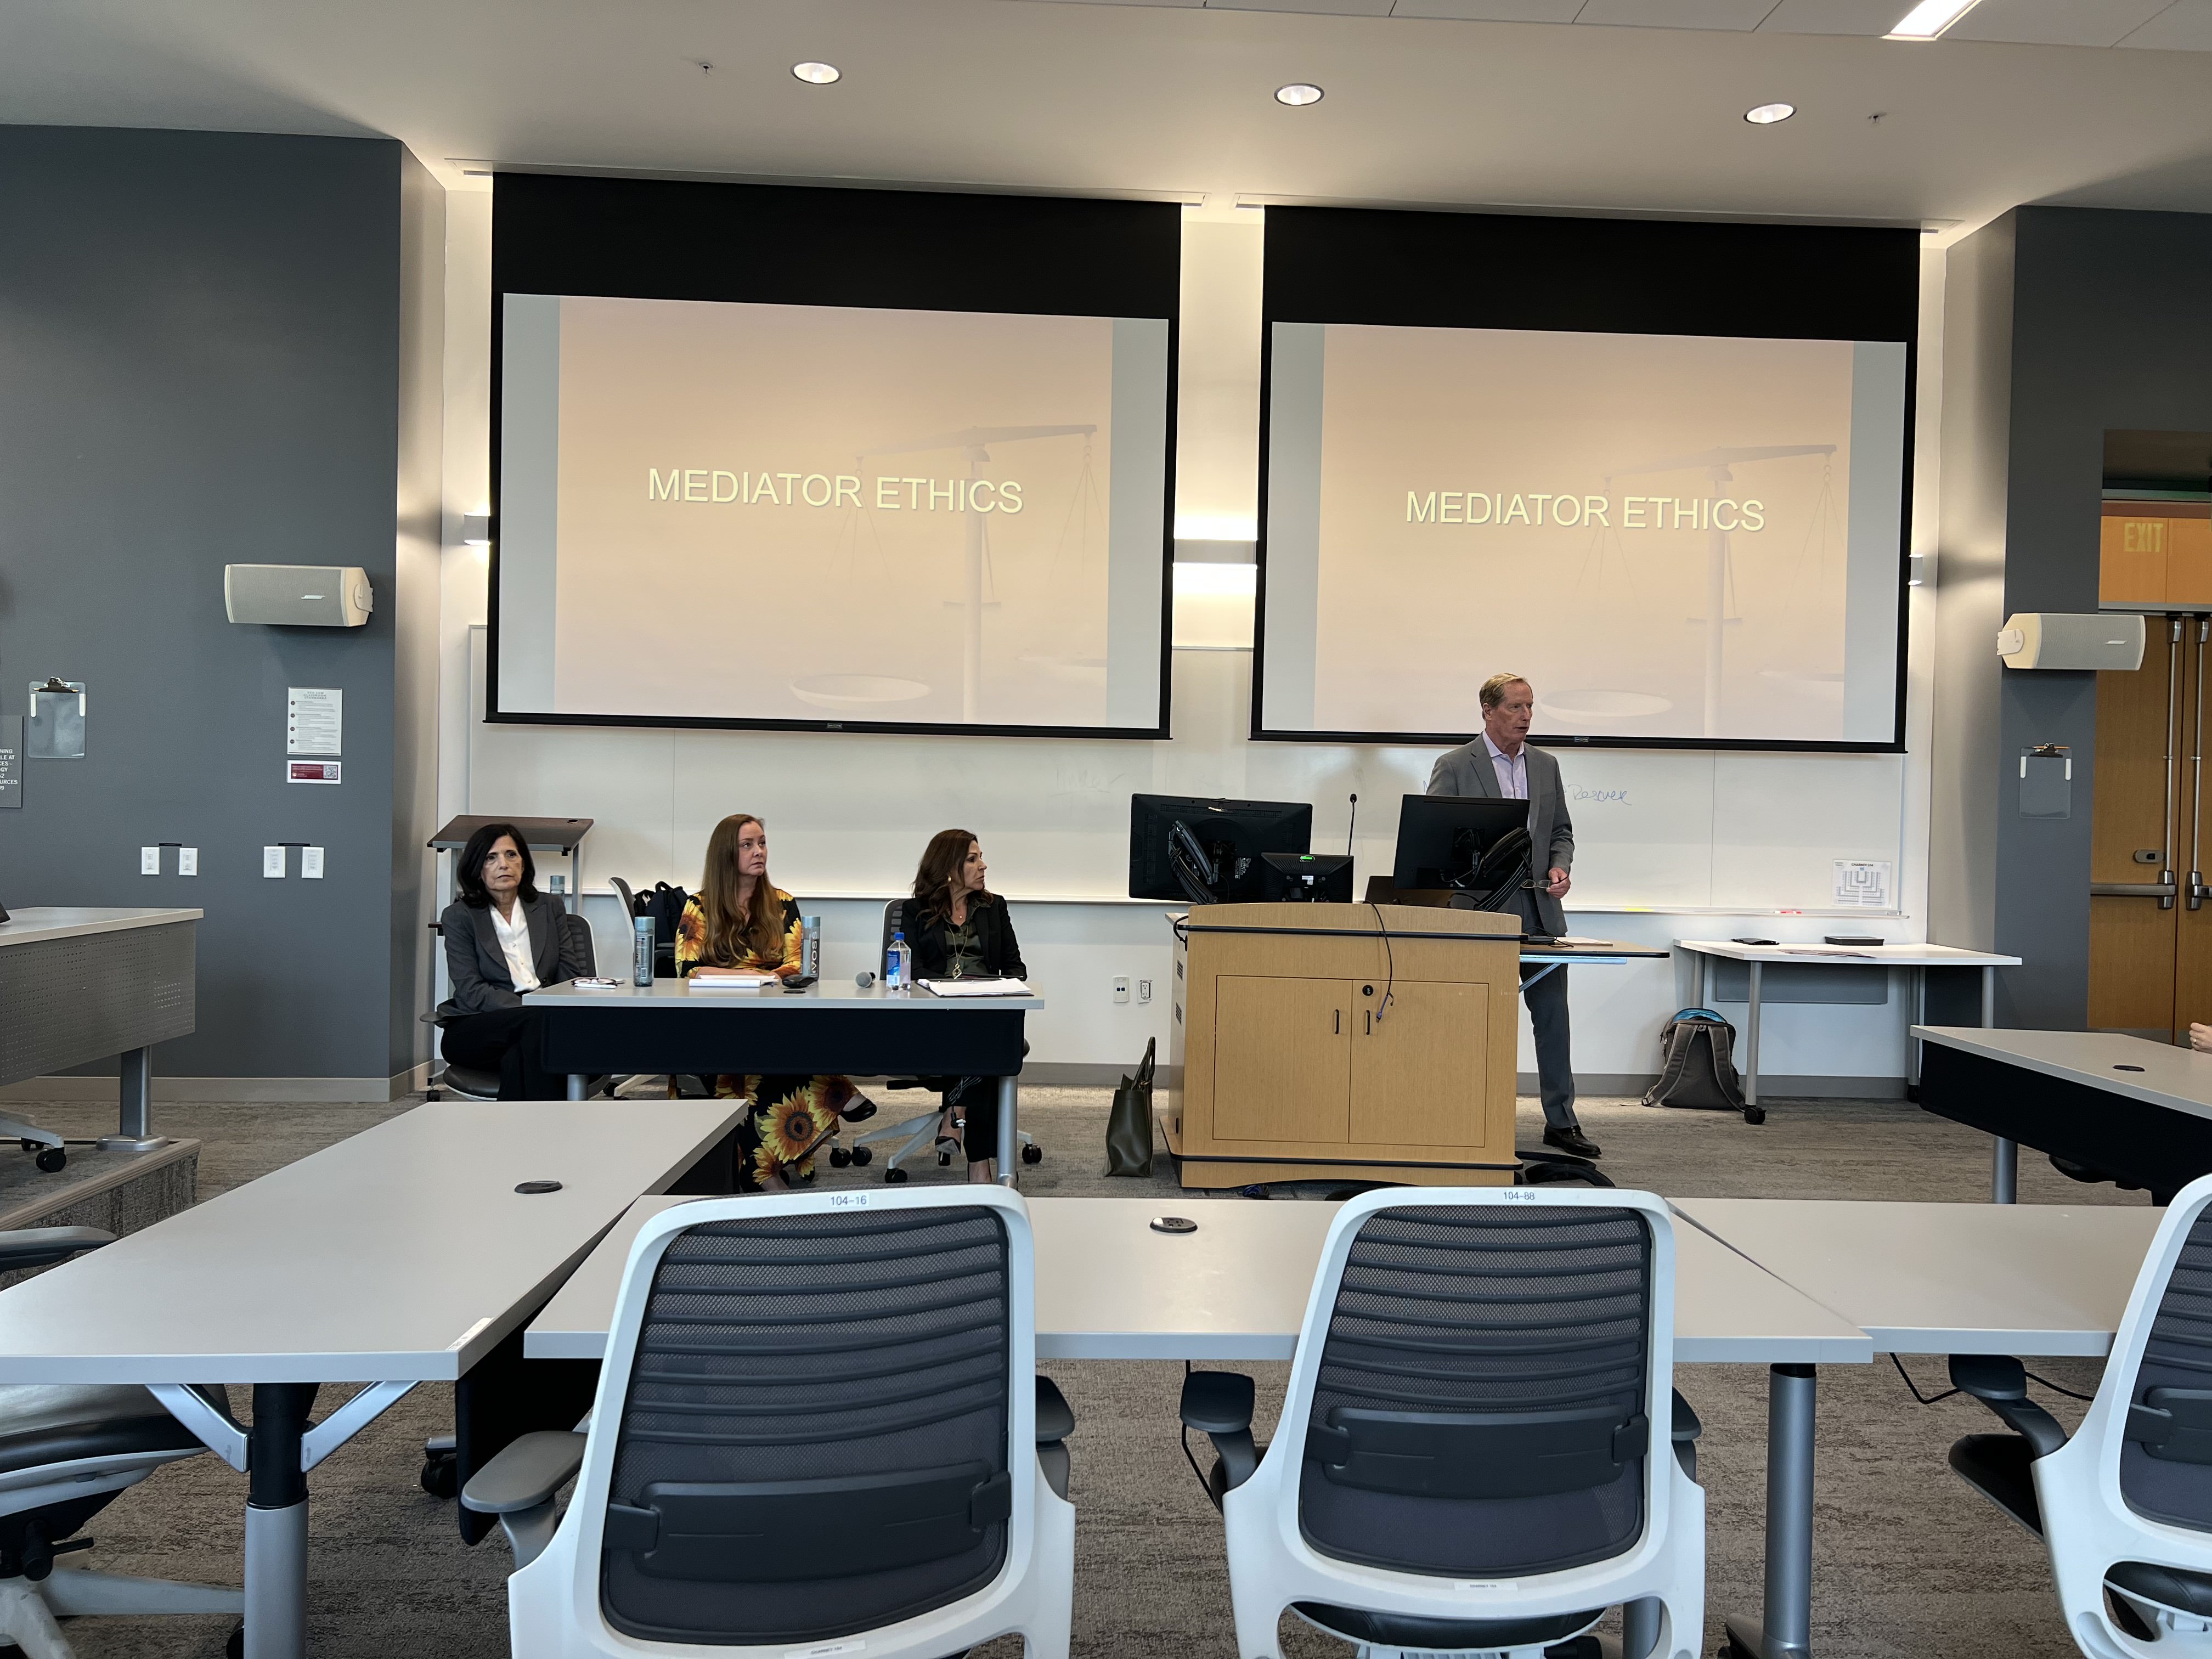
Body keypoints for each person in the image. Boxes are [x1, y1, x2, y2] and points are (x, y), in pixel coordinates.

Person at [1427, 673, 1599, 1160]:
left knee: (1552, 1019)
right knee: (1474, 1021)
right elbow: (1436, 837)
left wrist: (1560, 865)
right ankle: (1465, 1115)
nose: (1525, 717)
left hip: (1539, 911)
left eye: (1530, 708)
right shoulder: (1457, 765)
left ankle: (1562, 1122)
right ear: (1488, 711)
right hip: (1480, 916)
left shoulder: (1545, 765)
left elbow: (1561, 830)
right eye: (1515, 708)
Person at [675, 812, 874, 1190]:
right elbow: (690, 969)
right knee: (758, 1065)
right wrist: (749, 977)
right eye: (748, 845)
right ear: (725, 855)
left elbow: (797, 965)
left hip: (772, 1014)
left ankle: (763, 1173)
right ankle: (836, 1092)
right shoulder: (698, 906)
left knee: (770, 1055)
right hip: (717, 1021)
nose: (759, 852)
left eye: (762, 843)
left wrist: (765, 980)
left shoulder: (782, 903)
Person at [898, 829, 1028, 1182]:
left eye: (980, 857)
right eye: (972, 859)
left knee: (982, 1039)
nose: (983, 865)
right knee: (982, 1051)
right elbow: (909, 971)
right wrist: (950, 988)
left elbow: (1016, 967)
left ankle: (955, 1116)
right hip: (936, 1017)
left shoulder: (993, 906)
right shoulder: (915, 911)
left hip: (986, 1014)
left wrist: (998, 988)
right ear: (948, 868)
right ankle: (980, 1166)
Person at [437, 822, 592, 1101]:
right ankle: (558, 1131)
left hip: (539, 1023)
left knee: (521, 1054)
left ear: (523, 863)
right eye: (491, 857)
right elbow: (471, 991)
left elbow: (570, 974)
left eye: (511, 855)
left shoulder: (549, 907)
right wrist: (532, 1006)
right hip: (478, 1025)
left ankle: (520, 1137)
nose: (503, 865)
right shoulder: (459, 916)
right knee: (540, 1025)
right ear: (477, 868)